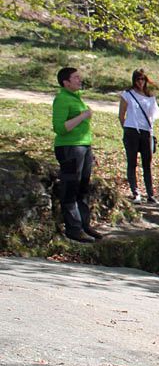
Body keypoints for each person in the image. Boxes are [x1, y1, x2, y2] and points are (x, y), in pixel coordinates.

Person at [52, 66, 100, 243]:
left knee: (83, 187)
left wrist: (89, 148)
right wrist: (83, 116)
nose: (80, 80)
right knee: (71, 187)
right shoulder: (62, 99)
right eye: (76, 78)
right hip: (69, 148)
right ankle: (73, 229)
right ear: (66, 82)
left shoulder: (76, 98)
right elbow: (60, 128)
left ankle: (84, 224)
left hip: (83, 146)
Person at [119, 68, 159, 204]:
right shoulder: (128, 94)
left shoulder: (150, 96)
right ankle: (135, 192)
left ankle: (150, 193)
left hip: (146, 131)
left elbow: (153, 115)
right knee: (132, 162)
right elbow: (121, 114)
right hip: (131, 130)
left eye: (143, 79)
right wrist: (126, 127)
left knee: (147, 164)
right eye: (138, 79)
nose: (140, 82)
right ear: (134, 80)